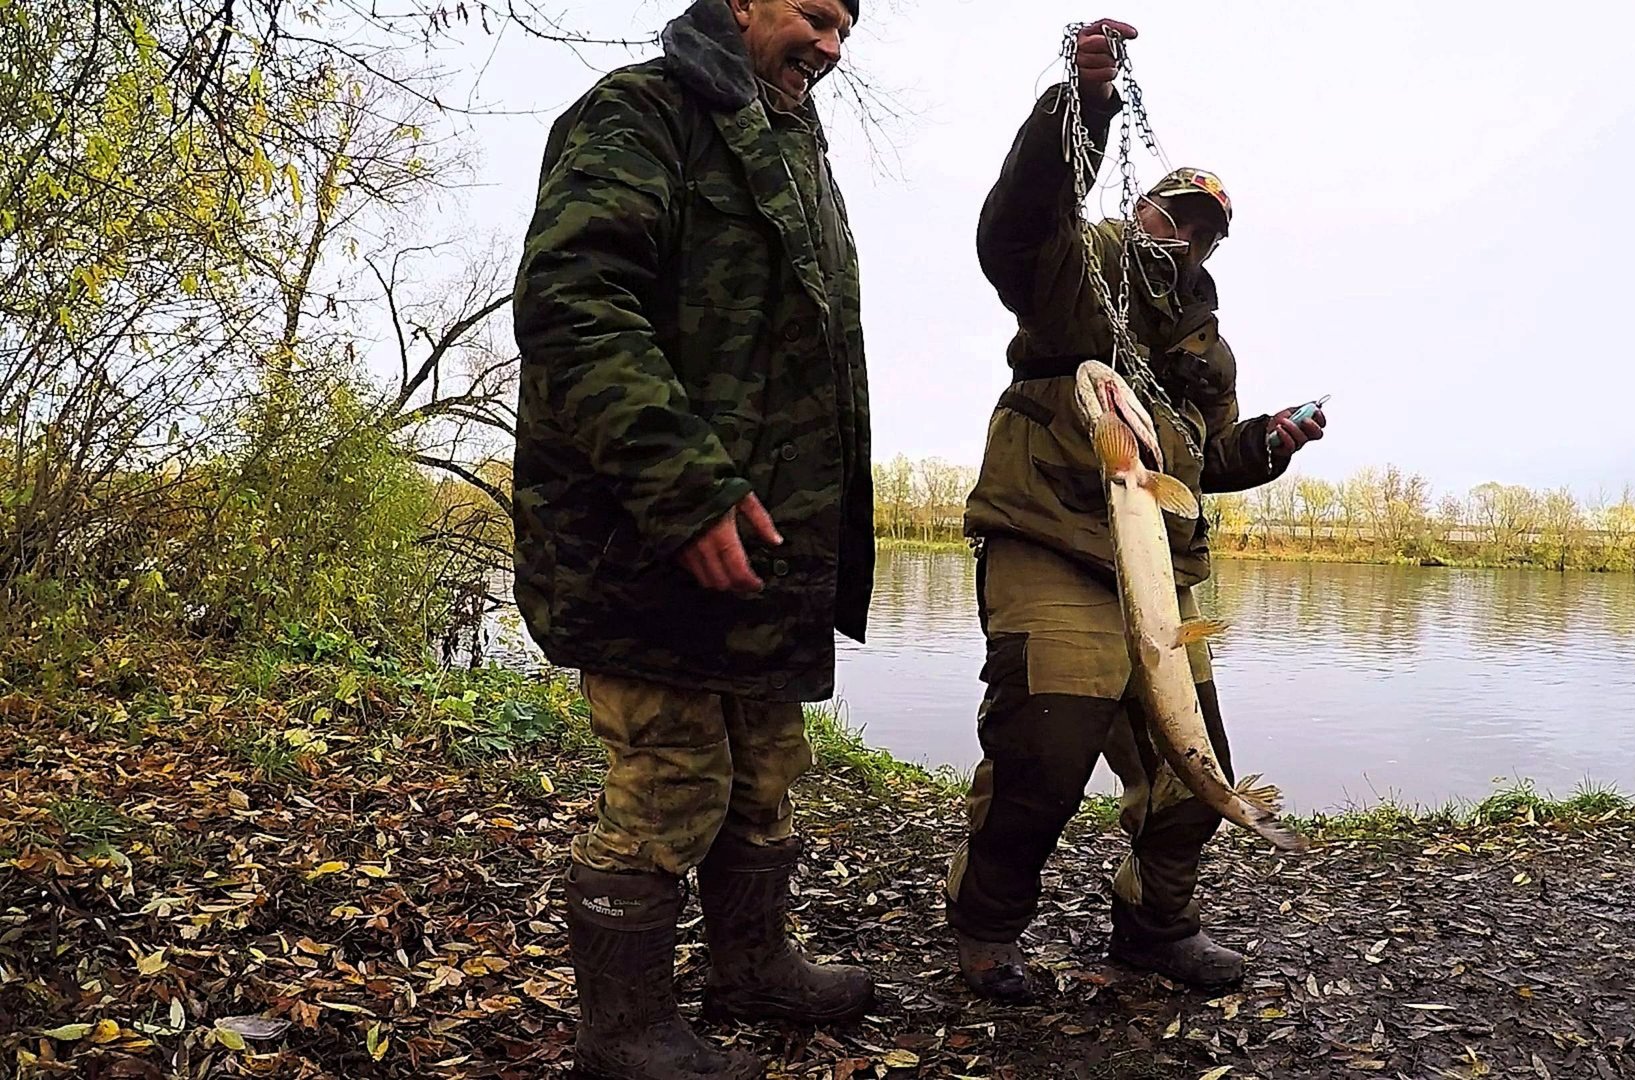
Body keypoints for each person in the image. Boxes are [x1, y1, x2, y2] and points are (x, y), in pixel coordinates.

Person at [509, 0, 873, 1075]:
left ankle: (751, 967)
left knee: (764, 768)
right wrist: (682, 486)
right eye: (815, 15)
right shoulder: (642, 113)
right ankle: (622, 1036)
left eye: (850, 28)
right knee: (670, 778)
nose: (833, 47)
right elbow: (574, 302)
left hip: (769, 544)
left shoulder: (795, 146)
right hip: (648, 534)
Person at [946, 18, 1330, 1003]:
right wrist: (1081, 101)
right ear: (1144, 206)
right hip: (1056, 543)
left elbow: (1208, 462)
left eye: (1205, 227)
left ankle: (1157, 929)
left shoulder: (1209, 344)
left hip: (1165, 577)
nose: (1186, 232)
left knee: (1196, 772)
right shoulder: (1083, 270)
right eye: (1174, 212)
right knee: (1046, 751)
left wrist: (1272, 444)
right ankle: (986, 935)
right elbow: (1017, 228)